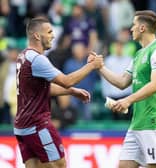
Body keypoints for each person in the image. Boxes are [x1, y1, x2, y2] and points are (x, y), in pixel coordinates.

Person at [14, 17, 103, 168]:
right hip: (38, 125)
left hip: (22, 127)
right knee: (60, 164)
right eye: (49, 32)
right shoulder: (37, 59)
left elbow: (41, 89)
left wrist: (72, 92)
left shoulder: (23, 56)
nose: (53, 36)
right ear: (37, 35)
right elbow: (67, 80)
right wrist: (92, 66)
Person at [89, 10, 156, 168]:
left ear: (142, 28)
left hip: (153, 121)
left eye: (134, 25)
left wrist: (128, 100)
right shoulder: (139, 54)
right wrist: (100, 67)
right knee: (124, 165)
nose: (131, 29)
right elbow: (122, 82)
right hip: (137, 122)